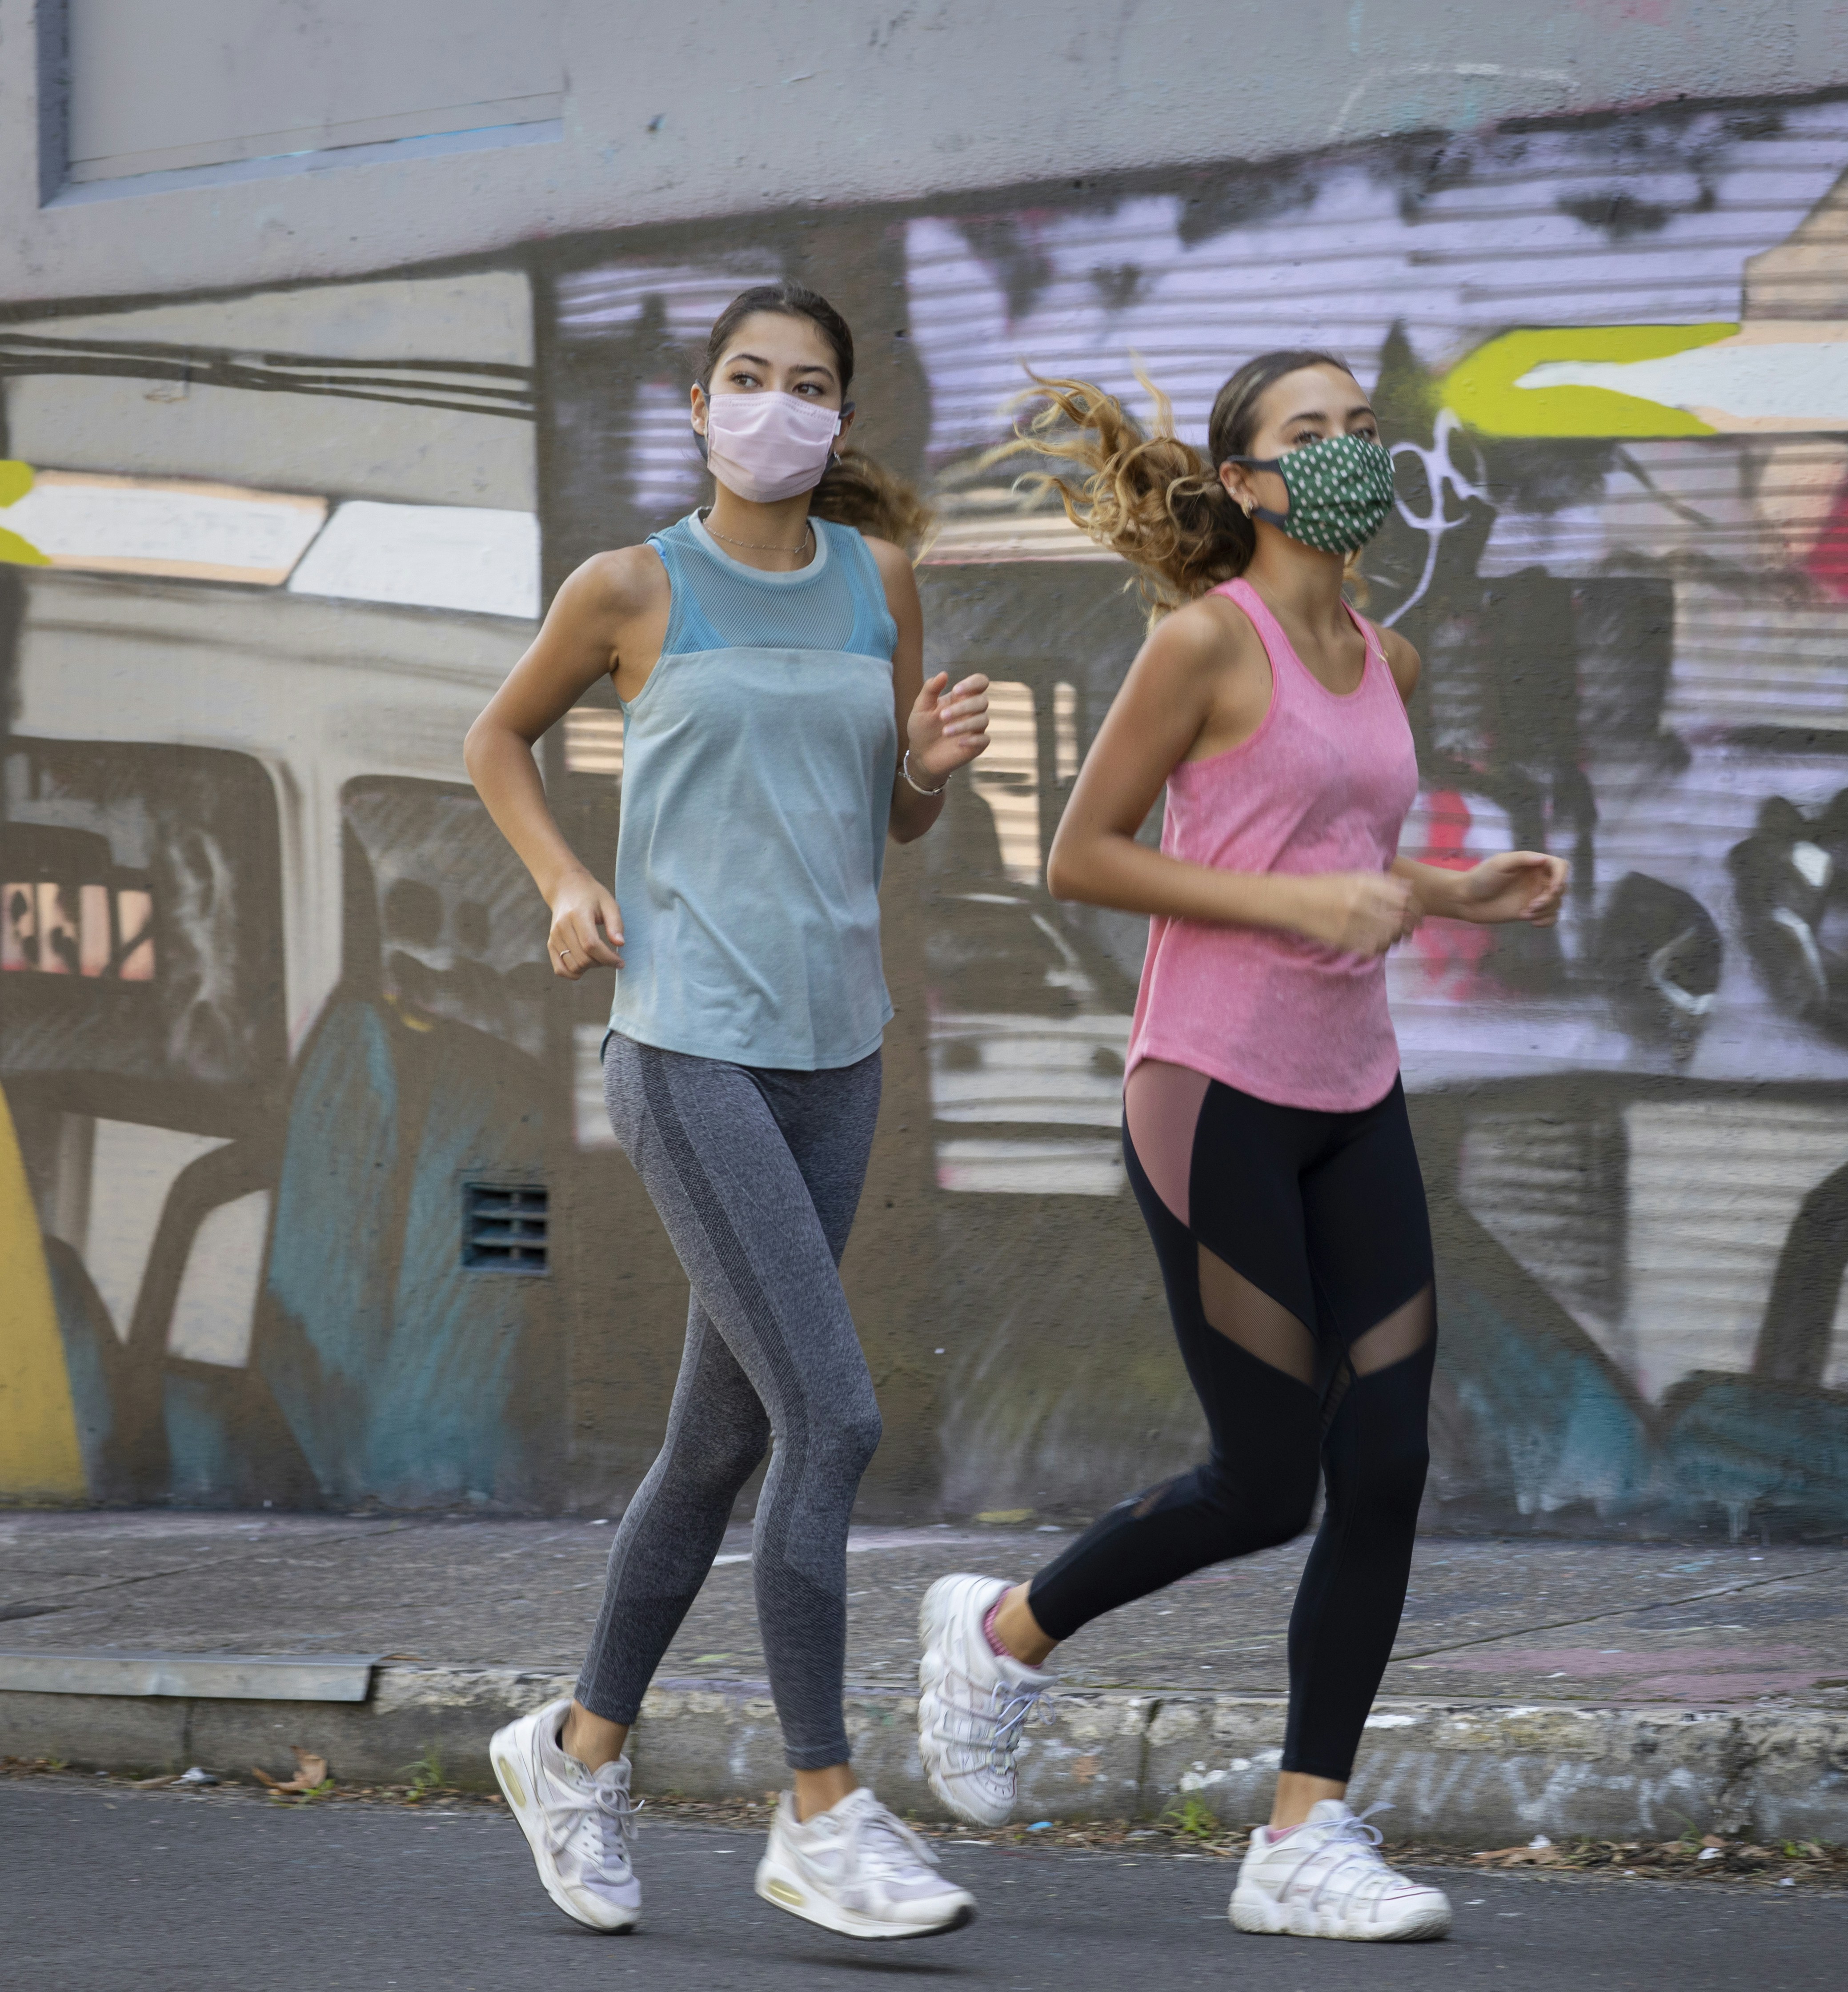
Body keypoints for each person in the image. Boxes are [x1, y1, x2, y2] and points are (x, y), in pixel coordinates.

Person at [912, 350, 1567, 1943]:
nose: (1347, 451)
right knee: (1269, 1483)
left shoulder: (1389, 656)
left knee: (1389, 1461)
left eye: (1362, 428)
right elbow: (1084, 856)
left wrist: (1455, 892)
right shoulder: (1205, 641)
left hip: (1355, 1096)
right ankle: (1000, 1636)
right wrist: (1302, 905)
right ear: (1245, 480)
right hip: (1212, 1096)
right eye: (1308, 432)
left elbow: (1342, 850)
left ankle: (1301, 1836)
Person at [464, 282, 989, 1942]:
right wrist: (565, 883)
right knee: (833, 1418)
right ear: (698, 408)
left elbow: (893, 821)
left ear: (843, 417)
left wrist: (930, 766)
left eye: (809, 384)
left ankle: (573, 1752)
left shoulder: (879, 580)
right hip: (689, 1047)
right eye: (747, 378)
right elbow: (498, 737)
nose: (778, 405)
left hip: (840, 1057)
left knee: (721, 1441)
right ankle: (822, 1808)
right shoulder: (633, 585)